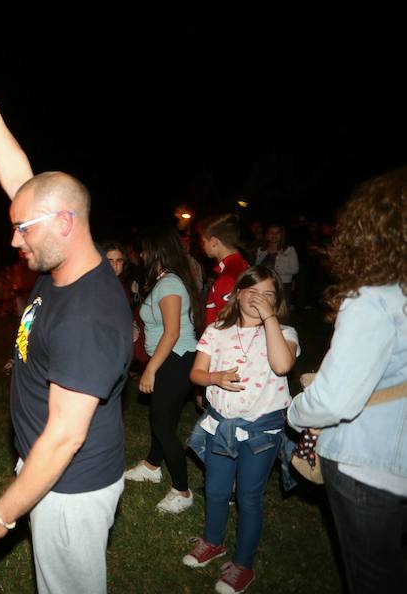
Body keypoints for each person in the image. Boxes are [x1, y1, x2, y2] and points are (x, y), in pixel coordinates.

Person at [0, 57, 132, 594]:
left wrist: (1, 516)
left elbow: (66, 437)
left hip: (69, 486)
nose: (13, 240)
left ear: (64, 223)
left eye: (21, 229)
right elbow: (23, 181)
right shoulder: (63, 263)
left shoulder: (88, 316)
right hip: (48, 470)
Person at [287, 168, 407, 593]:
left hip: (367, 465)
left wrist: (296, 411)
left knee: (372, 578)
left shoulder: (375, 299)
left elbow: (335, 400)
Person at [183, 266, 299, 593]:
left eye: (268, 295)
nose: (259, 300)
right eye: (253, 292)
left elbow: (282, 365)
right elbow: (196, 373)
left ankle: (243, 564)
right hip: (221, 425)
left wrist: (270, 320)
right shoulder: (217, 330)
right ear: (237, 294)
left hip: (262, 431)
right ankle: (213, 542)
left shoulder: (285, 334)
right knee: (217, 490)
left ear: (277, 303)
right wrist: (215, 378)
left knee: (249, 496)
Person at [123, 227, 202, 514]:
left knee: (162, 426)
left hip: (175, 359)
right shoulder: (162, 281)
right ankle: (152, 466)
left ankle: (182, 490)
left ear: (156, 251)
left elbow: (172, 333)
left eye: (144, 250)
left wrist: (150, 370)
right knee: (162, 417)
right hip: (170, 358)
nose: (140, 255)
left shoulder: (169, 284)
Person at [200, 214, 249, 326]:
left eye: (203, 241)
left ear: (213, 241)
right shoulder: (242, 265)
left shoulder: (228, 277)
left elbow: (228, 323)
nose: (202, 246)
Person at [255, 223, 299, 307]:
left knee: (282, 310)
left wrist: (274, 269)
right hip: (264, 284)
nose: (274, 235)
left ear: (282, 235)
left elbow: (295, 269)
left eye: (277, 232)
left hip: (283, 284)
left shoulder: (289, 250)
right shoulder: (261, 250)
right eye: (271, 232)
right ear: (267, 234)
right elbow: (257, 267)